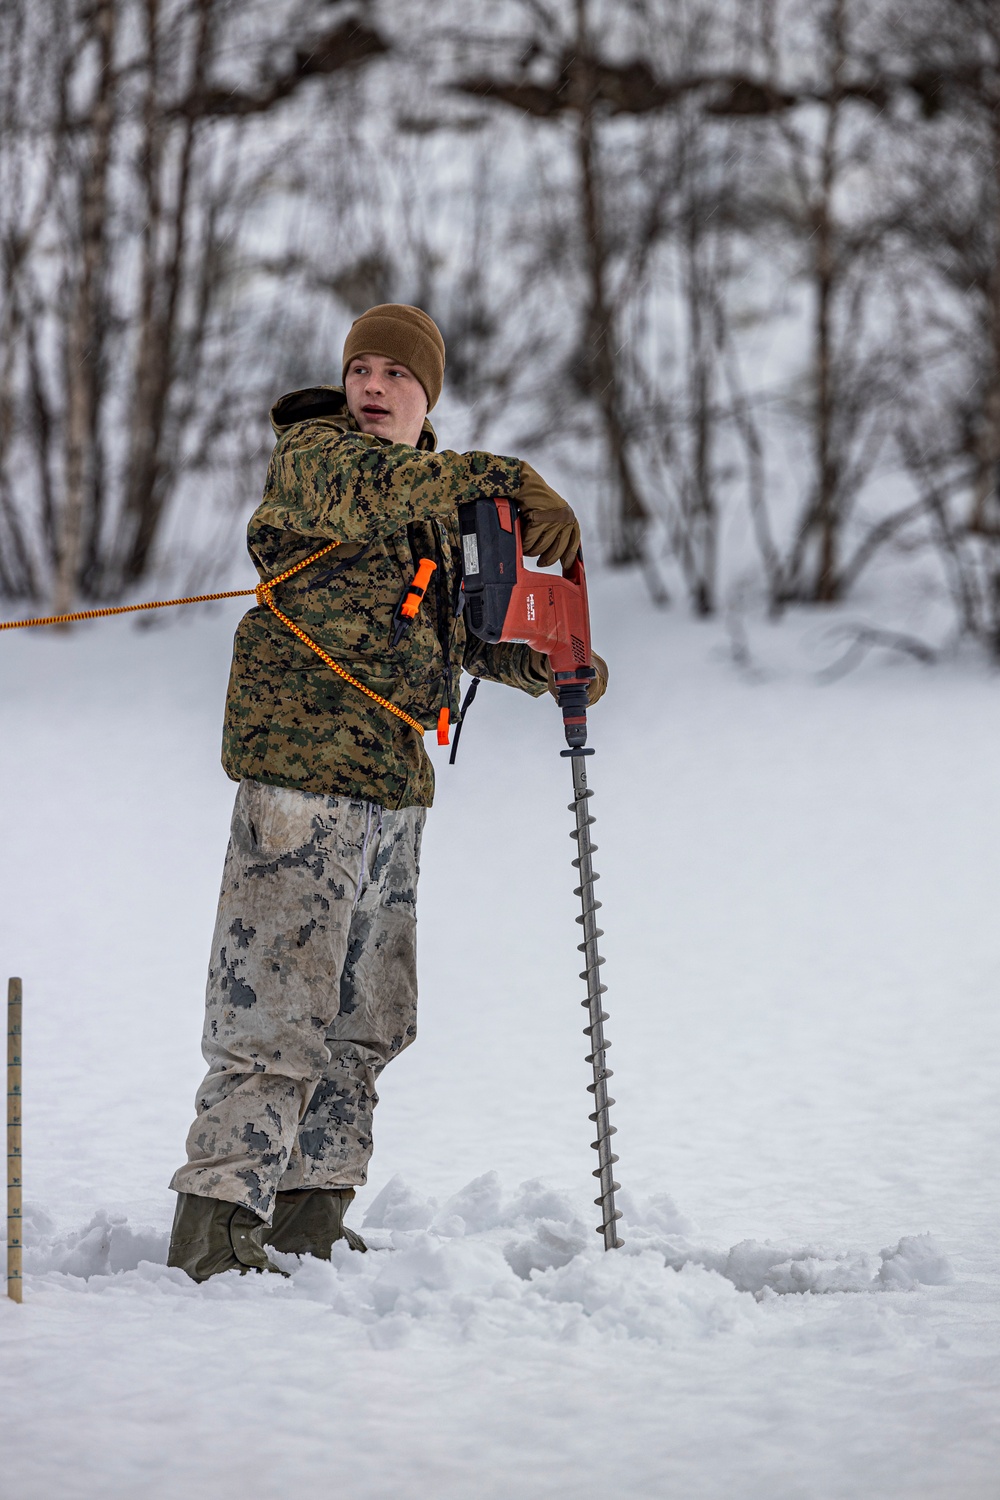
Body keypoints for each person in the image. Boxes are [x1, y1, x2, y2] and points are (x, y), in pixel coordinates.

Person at [166, 304, 607, 1280]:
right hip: (302, 785)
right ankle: (213, 1230)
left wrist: (556, 664)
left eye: (395, 375)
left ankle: (309, 1215)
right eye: (360, 368)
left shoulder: (434, 508)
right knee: (272, 1015)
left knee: (365, 1018)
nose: (371, 386)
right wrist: (507, 477)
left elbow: (449, 638)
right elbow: (370, 487)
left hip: (392, 786)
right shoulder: (319, 459)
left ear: (426, 397)